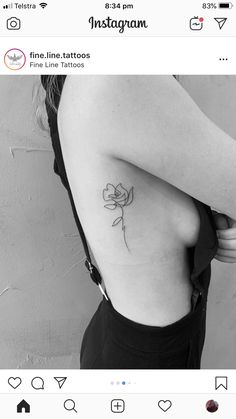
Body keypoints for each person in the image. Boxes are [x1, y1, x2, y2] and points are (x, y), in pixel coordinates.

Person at [41, 75, 236, 369]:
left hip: (119, 338)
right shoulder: (117, 78)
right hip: (148, 361)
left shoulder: (77, 80)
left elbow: (158, 214)